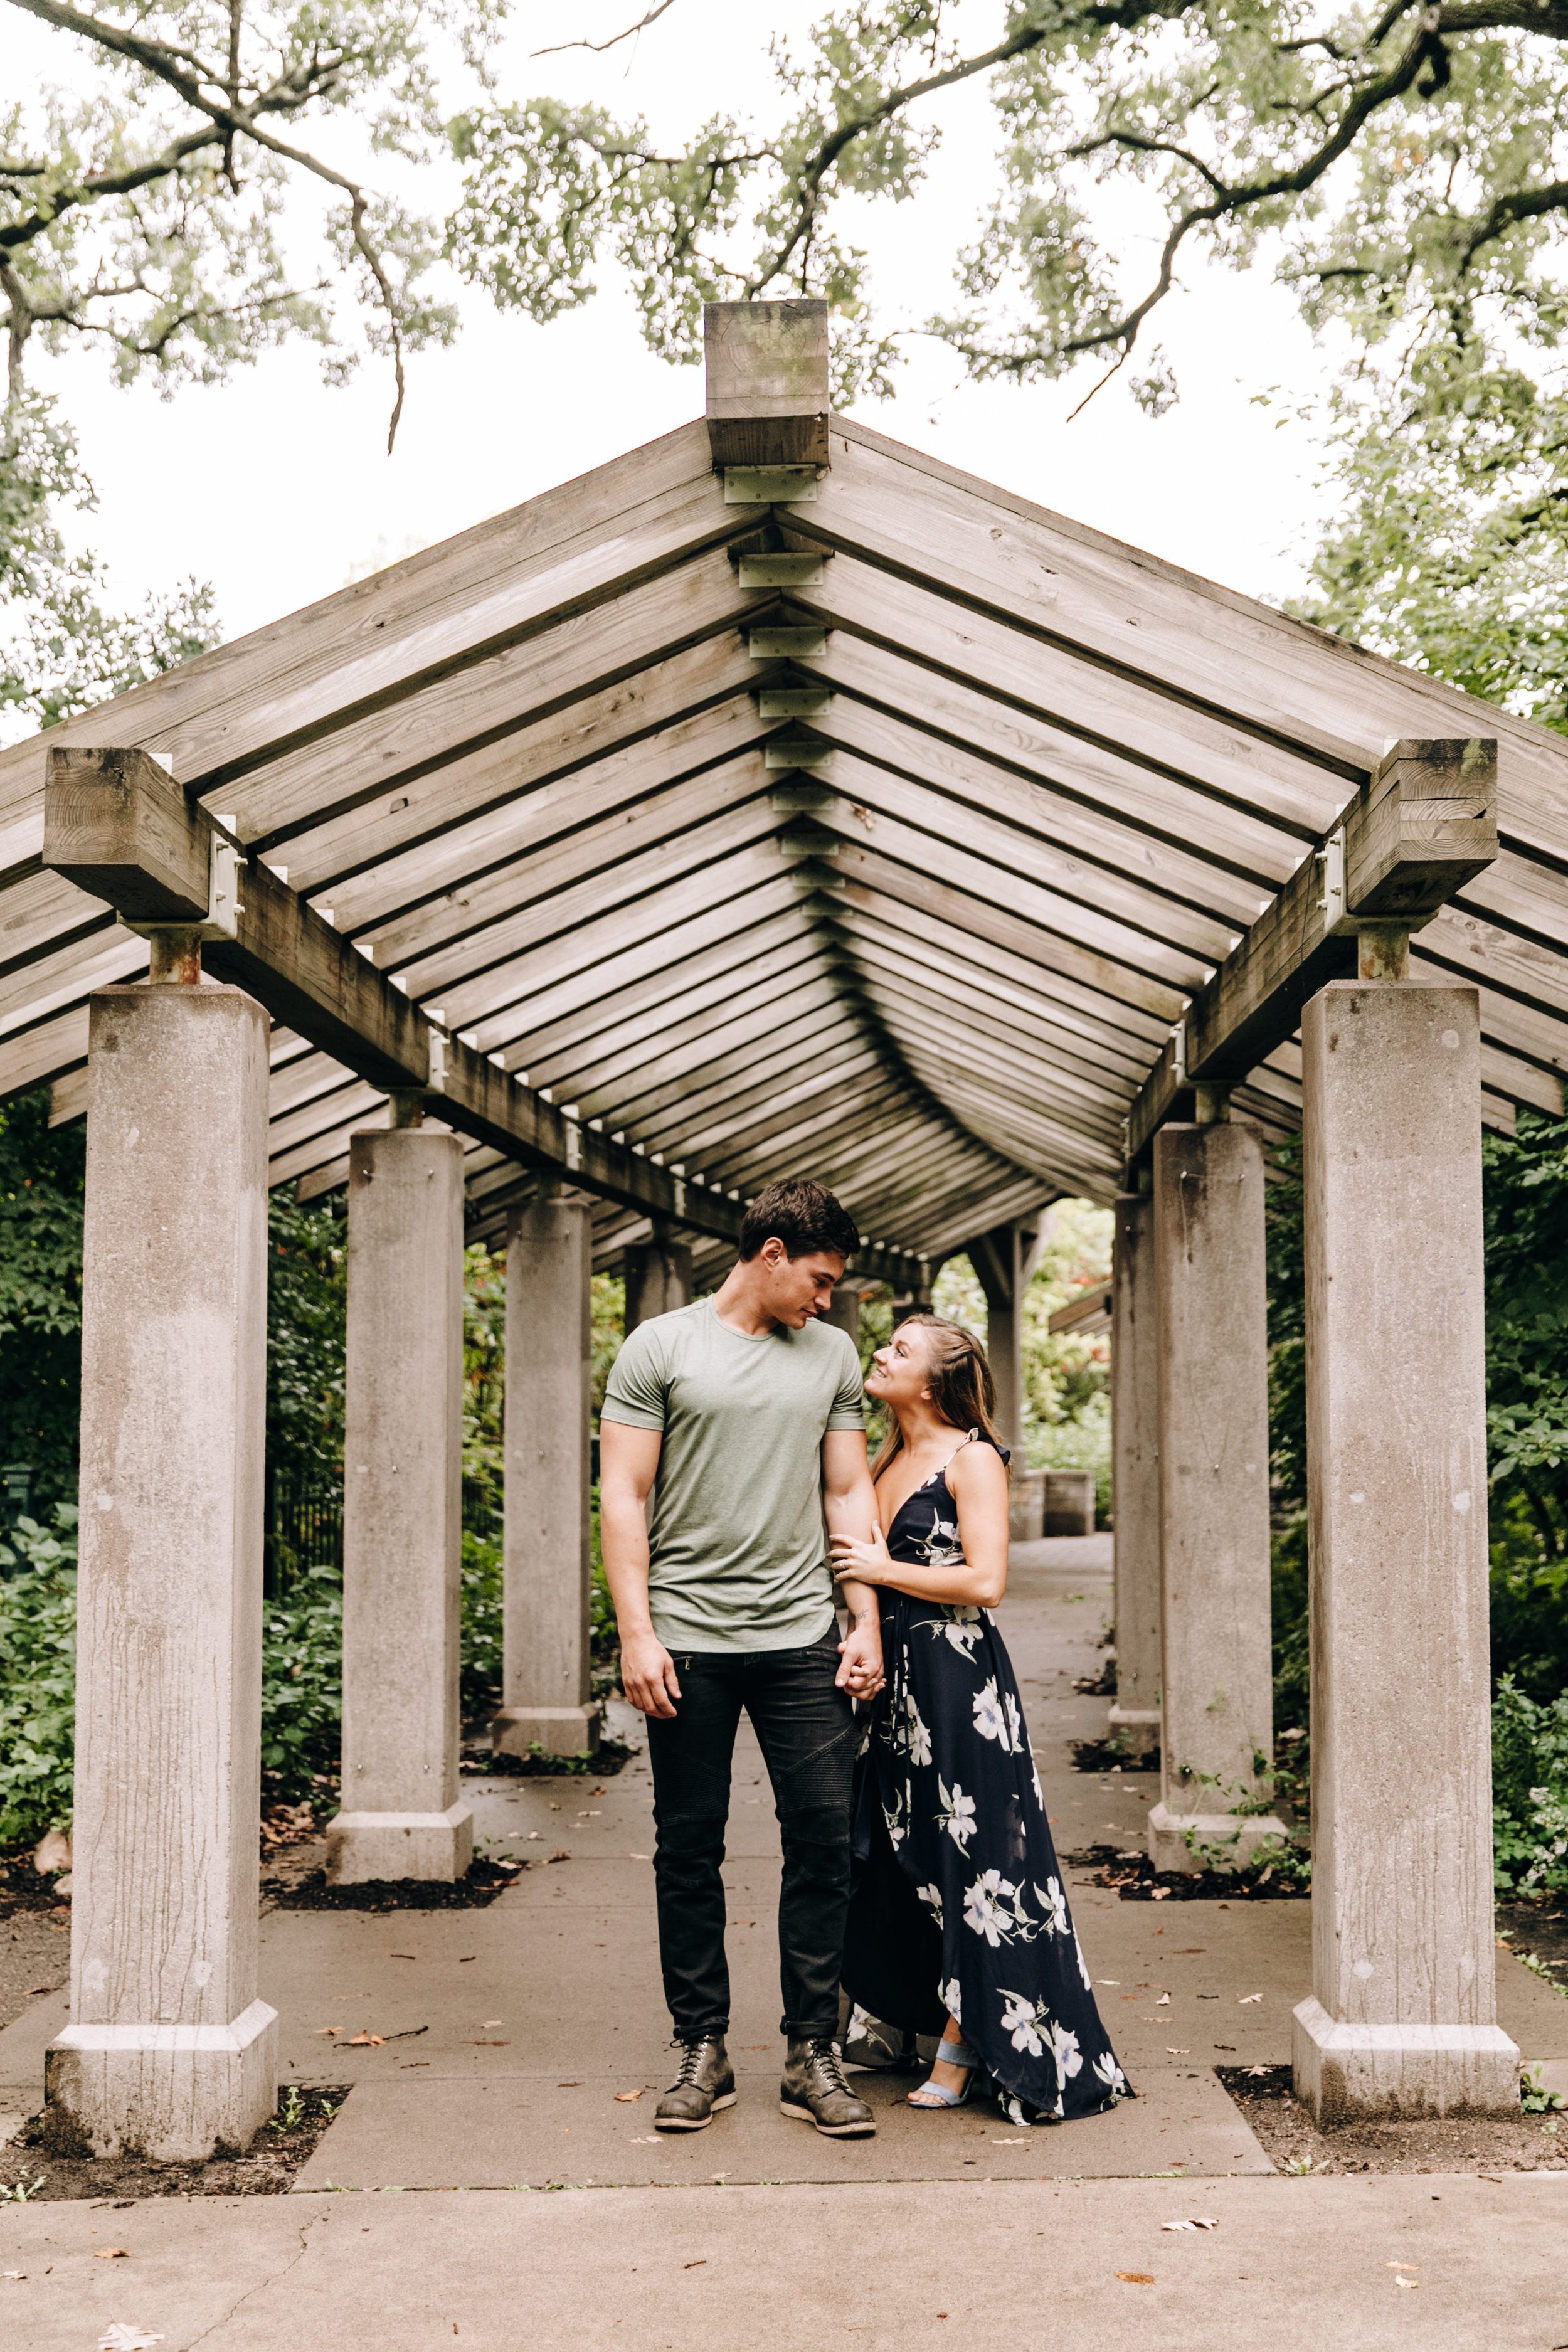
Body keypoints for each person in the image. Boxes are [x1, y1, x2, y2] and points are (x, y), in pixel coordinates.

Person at [599, 1177, 886, 2139]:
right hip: (687, 1639)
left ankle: (813, 2050)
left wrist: (865, 1618)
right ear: (770, 1255)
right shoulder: (661, 1347)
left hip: (803, 1635)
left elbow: (848, 1493)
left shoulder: (833, 1354)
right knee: (689, 1846)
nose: (827, 1297)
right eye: (817, 1277)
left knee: (822, 1843)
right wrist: (638, 1632)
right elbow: (624, 1498)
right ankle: (702, 2046)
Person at [829, 1314, 1130, 2124]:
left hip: (957, 1685)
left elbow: (987, 1580)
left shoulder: (973, 1458)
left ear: (931, 1381)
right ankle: (895, 2016)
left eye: (898, 1348)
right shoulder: (884, 1456)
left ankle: (966, 2050)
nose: (880, 1352)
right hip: (888, 1682)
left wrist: (881, 1567)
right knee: (893, 1852)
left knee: (977, 1862)